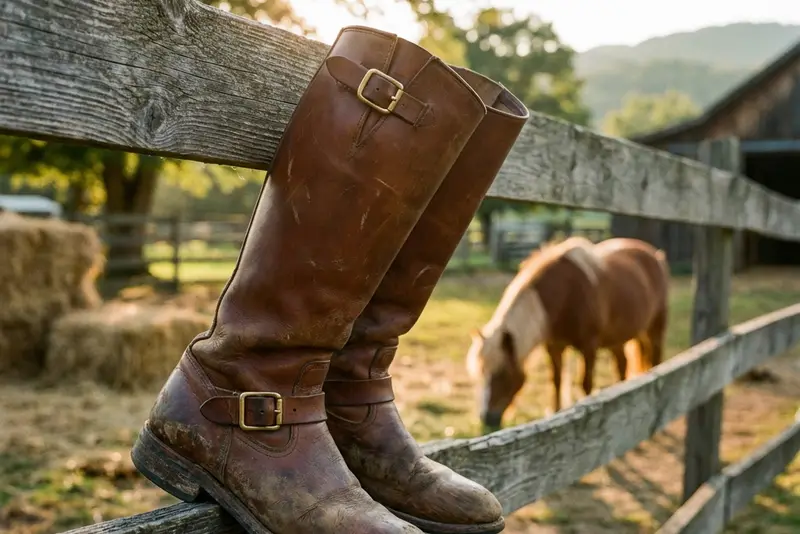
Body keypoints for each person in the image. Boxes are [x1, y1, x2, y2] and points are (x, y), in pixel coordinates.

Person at [131, 25, 528, 534]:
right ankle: (241, 394)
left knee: (360, 350)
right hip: (244, 404)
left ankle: (344, 395)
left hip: (320, 405)